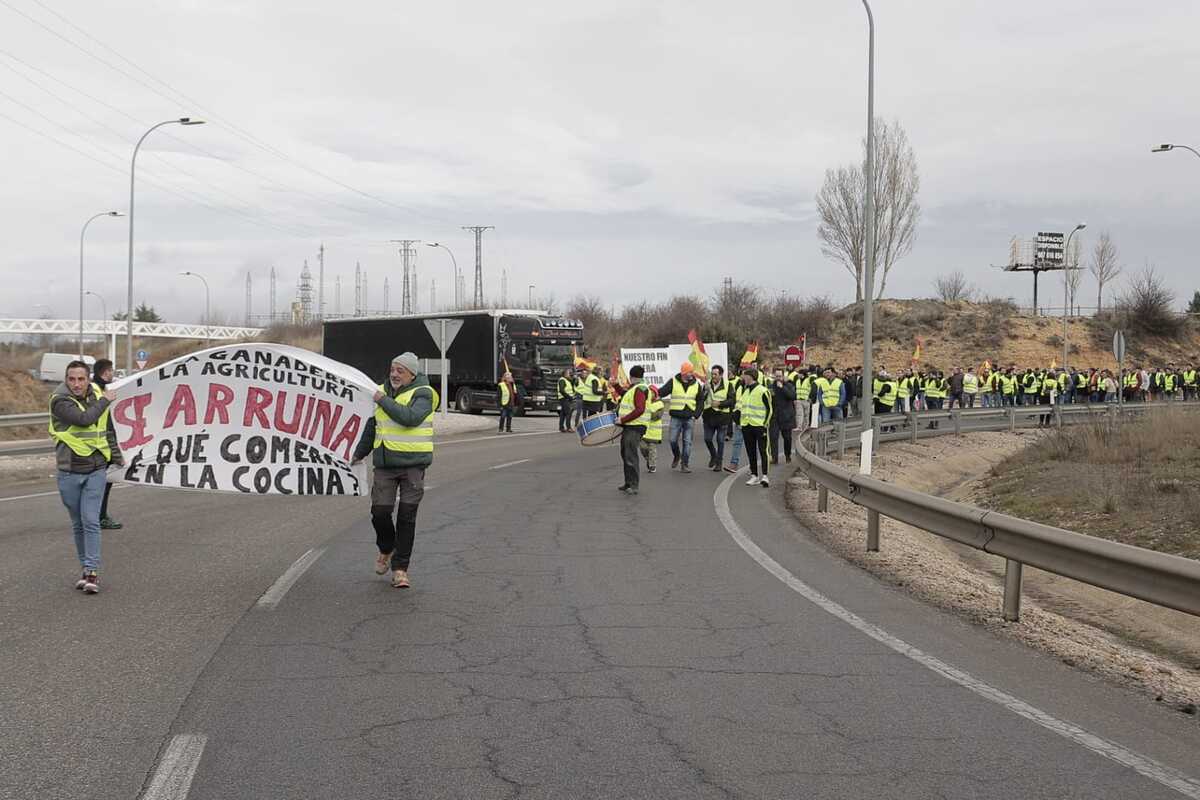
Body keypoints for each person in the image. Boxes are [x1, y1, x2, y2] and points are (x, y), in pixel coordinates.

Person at [352, 352, 438, 590]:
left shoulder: (424, 393)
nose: (394, 375)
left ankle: (400, 570)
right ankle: (387, 548)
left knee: (406, 518)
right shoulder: (381, 391)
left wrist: (382, 399)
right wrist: (359, 453)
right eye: (392, 369)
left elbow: (409, 418)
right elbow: (372, 426)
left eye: (400, 371)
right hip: (385, 465)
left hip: (414, 465)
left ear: (412, 374)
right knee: (380, 512)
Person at [50, 360, 122, 594]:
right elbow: (84, 420)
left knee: (90, 520)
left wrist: (117, 454)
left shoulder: (98, 396)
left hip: (96, 469)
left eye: (81, 379)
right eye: (72, 379)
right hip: (69, 471)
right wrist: (105, 400)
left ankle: (92, 572)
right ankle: (85, 568)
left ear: (88, 379)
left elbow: (106, 427)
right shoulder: (59, 400)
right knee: (78, 524)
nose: (76, 384)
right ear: (66, 379)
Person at [91, 358, 123, 530]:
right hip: (100, 448)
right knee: (102, 486)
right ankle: (100, 517)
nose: (113, 374)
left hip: (95, 447)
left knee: (98, 486)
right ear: (104, 372)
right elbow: (107, 427)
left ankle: (94, 517)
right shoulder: (99, 392)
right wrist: (116, 455)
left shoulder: (98, 389)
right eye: (111, 371)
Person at [656, 361, 704, 473]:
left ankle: (685, 464)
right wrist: (653, 393)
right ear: (684, 373)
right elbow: (662, 392)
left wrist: (696, 415)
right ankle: (677, 455)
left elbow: (700, 401)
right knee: (672, 440)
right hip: (676, 417)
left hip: (689, 418)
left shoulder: (696, 385)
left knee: (687, 442)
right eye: (690, 372)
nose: (692, 374)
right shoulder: (673, 382)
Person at [616, 365, 651, 495]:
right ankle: (628, 483)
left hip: (635, 426)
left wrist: (622, 420)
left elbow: (640, 409)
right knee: (625, 454)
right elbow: (626, 396)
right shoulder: (635, 388)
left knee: (630, 455)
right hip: (630, 425)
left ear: (631, 377)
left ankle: (634, 485)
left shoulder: (640, 389)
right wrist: (616, 386)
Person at [737, 367, 773, 487]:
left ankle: (765, 476)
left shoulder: (763, 390)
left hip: (759, 425)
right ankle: (754, 475)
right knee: (750, 451)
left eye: (744, 376)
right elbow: (741, 407)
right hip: (746, 425)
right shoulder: (745, 391)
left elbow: (770, 409)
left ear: (750, 376)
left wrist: (765, 423)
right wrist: (739, 422)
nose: (742, 378)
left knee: (763, 451)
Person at [702, 365, 734, 472]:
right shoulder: (707, 384)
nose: (713, 376)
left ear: (721, 375)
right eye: (712, 374)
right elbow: (700, 399)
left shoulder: (728, 385)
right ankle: (713, 455)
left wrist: (720, 404)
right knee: (707, 439)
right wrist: (705, 391)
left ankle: (719, 463)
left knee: (720, 440)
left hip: (722, 418)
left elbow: (732, 401)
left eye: (716, 374)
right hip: (708, 417)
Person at [768, 366, 797, 465]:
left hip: (786, 416)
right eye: (776, 376)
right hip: (774, 416)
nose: (778, 378)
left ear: (783, 376)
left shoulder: (789, 385)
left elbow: (792, 396)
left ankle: (787, 455)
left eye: (780, 376)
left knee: (787, 438)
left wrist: (783, 388)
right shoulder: (771, 387)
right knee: (773, 437)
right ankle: (774, 458)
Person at [640, 384, 664, 473]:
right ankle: (648, 460)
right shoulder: (643, 402)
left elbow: (657, 416)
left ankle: (652, 465)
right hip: (644, 431)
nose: (650, 394)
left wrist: (647, 414)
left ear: (655, 394)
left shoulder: (659, 404)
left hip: (654, 432)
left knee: (652, 450)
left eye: (652, 393)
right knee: (642, 447)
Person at [556, 367, 576, 433]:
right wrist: (569, 397)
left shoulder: (566, 380)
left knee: (563, 414)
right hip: (565, 399)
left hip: (565, 398)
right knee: (568, 413)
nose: (569, 374)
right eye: (568, 373)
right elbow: (562, 390)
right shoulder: (562, 380)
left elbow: (573, 384)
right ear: (564, 374)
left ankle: (561, 427)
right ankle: (569, 428)